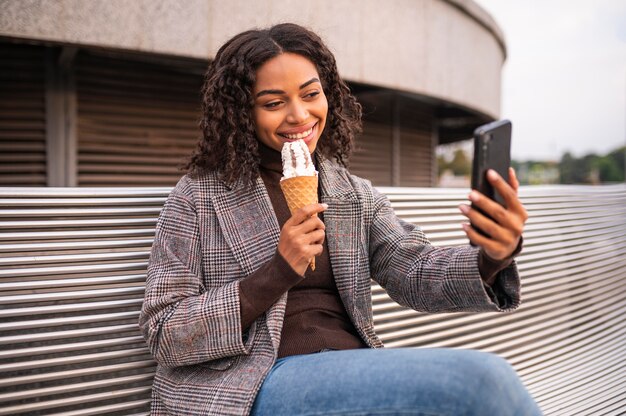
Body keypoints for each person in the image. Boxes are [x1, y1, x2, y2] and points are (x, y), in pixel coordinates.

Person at [138, 23, 542, 416]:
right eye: (274, 103)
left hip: (347, 370)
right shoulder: (198, 197)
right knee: (479, 383)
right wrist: (278, 271)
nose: (299, 115)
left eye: (311, 94)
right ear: (241, 112)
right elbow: (164, 332)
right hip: (252, 384)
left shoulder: (351, 192)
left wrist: (492, 257)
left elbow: (414, 272)